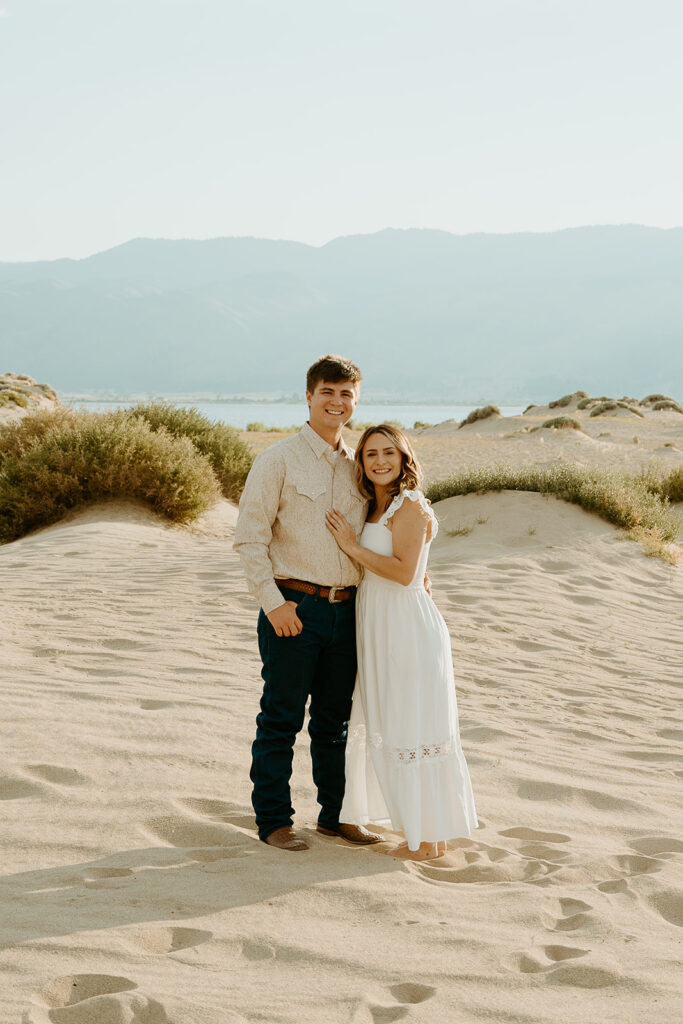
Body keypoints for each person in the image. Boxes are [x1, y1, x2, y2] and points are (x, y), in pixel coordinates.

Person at [233, 355, 382, 851]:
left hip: (348, 611)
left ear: (355, 401)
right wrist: (274, 605)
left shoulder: (359, 465)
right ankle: (274, 820)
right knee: (280, 719)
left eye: (347, 395)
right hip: (294, 607)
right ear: (309, 396)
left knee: (334, 723)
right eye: (328, 393)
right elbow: (249, 539)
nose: (337, 403)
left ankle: (336, 816)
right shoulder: (277, 459)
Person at [325, 424, 478, 861]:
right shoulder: (376, 505)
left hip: (406, 628)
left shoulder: (408, 504)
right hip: (378, 623)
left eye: (388, 452)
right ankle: (425, 833)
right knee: (393, 723)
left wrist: (351, 547)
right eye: (370, 453)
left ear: (403, 456)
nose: (379, 461)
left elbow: (404, 573)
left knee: (416, 725)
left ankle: (429, 842)